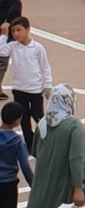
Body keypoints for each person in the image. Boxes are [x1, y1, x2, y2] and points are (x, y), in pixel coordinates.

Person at [27, 84, 85, 208]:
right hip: (64, 190)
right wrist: (78, 188)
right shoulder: (74, 126)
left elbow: (35, 152)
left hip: (43, 188)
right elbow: (76, 159)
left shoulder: (43, 124)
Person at [0, 17, 52, 153]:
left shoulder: (38, 48)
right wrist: (4, 35)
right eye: (13, 31)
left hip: (35, 89)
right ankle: (29, 144)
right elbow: (1, 51)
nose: (16, 33)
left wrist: (47, 85)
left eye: (19, 30)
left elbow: (45, 67)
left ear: (27, 30)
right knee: (24, 119)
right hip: (19, 89)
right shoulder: (12, 47)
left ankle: (46, 140)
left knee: (38, 116)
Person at [0, 102, 34, 207]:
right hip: (10, 184)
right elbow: (25, 166)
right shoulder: (17, 141)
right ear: (17, 121)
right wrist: (33, 184)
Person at [0, 0, 21, 101]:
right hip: (5, 37)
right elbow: (14, 13)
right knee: (2, 63)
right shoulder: (15, 2)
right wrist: (8, 22)